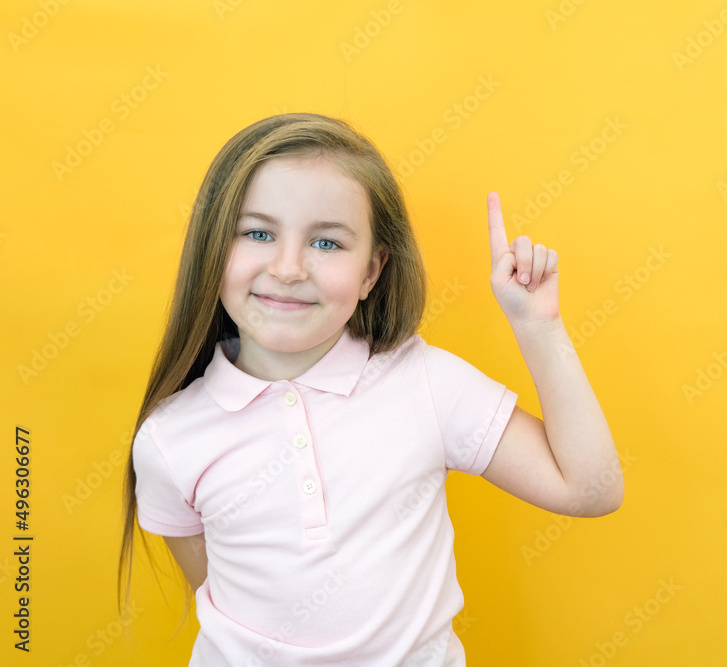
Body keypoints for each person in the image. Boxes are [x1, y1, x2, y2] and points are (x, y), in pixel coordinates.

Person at [117, 112, 623, 665]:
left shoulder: (424, 383)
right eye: (258, 233)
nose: (288, 268)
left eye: (328, 244)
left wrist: (538, 325)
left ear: (371, 273)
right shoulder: (169, 438)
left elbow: (590, 489)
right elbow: (212, 590)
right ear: (215, 248)